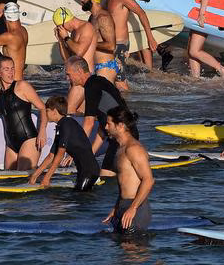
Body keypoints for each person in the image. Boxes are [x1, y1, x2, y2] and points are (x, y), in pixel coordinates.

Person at [64, 56, 128, 173]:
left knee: (106, 176)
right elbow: (103, 127)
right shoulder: (97, 82)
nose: (67, 78)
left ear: (79, 71)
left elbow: (89, 123)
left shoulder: (91, 86)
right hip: (123, 137)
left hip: (122, 139)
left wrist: (77, 151)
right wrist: (90, 153)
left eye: (68, 74)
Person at [28, 95, 100, 191]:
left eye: (47, 111)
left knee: (81, 198)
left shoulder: (66, 124)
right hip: (82, 171)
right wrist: (35, 175)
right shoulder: (60, 126)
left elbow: (60, 154)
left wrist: (47, 178)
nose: (45, 114)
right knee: (77, 198)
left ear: (54, 112)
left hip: (90, 171)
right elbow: (51, 156)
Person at [102, 106, 154, 236]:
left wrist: (133, 208)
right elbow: (124, 183)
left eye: (108, 123)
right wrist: (116, 208)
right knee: (121, 253)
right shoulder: (120, 149)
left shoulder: (134, 149)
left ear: (120, 125)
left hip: (136, 208)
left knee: (133, 252)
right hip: (123, 206)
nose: (105, 127)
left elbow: (148, 180)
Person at [0, 57, 46, 170]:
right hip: (11, 144)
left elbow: (42, 108)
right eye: (6, 69)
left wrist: (42, 131)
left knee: (23, 179)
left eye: (12, 69)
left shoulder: (22, 86)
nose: (11, 73)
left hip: (29, 140)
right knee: (9, 181)